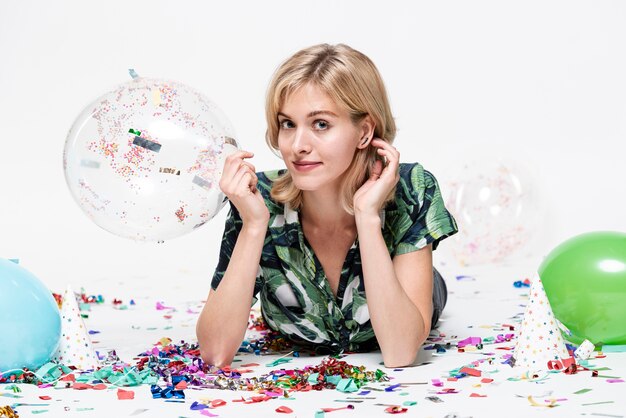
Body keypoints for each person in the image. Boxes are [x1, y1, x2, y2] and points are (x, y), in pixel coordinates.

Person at [196, 43, 458, 368]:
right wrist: (253, 226)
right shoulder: (256, 197)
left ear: (364, 132)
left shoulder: (410, 187)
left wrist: (367, 217)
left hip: (410, 295)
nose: (297, 146)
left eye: (320, 124)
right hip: (302, 321)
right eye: (288, 124)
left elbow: (400, 353)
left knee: (419, 289)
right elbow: (214, 353)